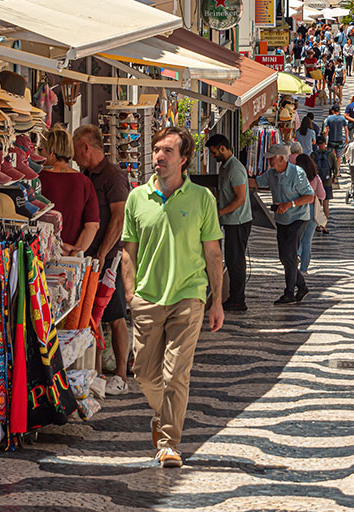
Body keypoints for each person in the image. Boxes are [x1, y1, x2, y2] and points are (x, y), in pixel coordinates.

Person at [121, 127, 224, 468]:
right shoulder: (137, 198)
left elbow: (213, 253)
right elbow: (128, 252)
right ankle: (161, 415)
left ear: (183, 159)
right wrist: (130, 294)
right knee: (144, 374)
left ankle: (168, 443)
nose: (158, 157)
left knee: (176, 373)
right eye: (156, 150)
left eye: (167, 151)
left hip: (188, 296)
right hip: (148, 297)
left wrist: (217, 300)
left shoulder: (202, 199)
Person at [72, 124, 132, 394]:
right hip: (90, 257)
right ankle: (94, 372)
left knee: (116, 314)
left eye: (76, 151)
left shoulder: (113, 176)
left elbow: (118, 220)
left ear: (87, 147)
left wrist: (103, 253)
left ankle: (121, 374)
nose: (74, 157)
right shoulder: (86, 174)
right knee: (92, 316)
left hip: (108, 258)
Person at [249, 144, 314, 304]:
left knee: (289, 255)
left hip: (298, 218)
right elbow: (256, 182)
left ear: (281, 158)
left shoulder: (297, 173)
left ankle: (289, 293)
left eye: (272, 158)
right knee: (284, 257)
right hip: (281, 220)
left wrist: (290, 204)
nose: (269, 161)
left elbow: (309, 196)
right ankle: (302, 286)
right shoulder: (271, 174)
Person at [204, 134, 251, 313]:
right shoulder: (225, 166)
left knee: (236, 261)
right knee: (231, 260)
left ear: (223, 148)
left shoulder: (234, 169)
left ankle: (238, 299)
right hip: (229, 221)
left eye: (214, 152)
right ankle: (235, 297)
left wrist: (219, 212)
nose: (213, 155)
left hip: (238, 222)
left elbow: (240, 199)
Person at [37, 126, 100, 257]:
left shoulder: (37, 178)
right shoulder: (84, 182)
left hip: (38, 252)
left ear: (51, 153)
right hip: (68, 257)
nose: (38, 154)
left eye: (41, 149)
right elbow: (92, 226)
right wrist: (74, 253)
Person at [294, 154, 324, 274]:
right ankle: (304, 269)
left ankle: (297, 254)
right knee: (307, 240)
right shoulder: (315, 178)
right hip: (311, 209)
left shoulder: (296, 177)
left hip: (297, 208)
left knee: (297, 237)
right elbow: (322, 195)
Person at [311, 136, 334, 232]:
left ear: (317, 144)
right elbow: (335, 168)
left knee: (317, 204)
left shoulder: (313, 155)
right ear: (325, 143)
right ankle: (325, 226)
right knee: (326, 204)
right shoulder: (330, 154)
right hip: (327, 181)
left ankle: (317, 225)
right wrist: (334, 177)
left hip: (317, 181)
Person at [323, 104, 348, 177]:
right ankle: (337, 172)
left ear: (333, 111)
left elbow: (326, 130)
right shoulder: (342, 118)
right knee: (339, 157)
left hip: (331, 140)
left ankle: (330, 170)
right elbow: (346, 129)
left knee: (330, 155)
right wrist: (346, 138)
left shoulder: (329, 118)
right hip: (339, 140)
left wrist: (325, 139)